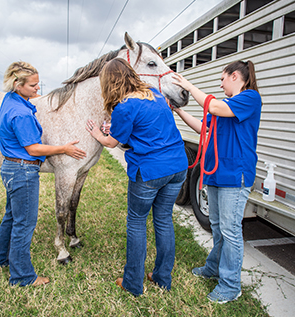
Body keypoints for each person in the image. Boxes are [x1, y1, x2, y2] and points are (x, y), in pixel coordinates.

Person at [86, 58, 188, 297]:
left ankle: (132, 282)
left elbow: (113, 142)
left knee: (136, 222)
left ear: (109, 83)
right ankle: (163, 277)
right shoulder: (155, 94)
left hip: (150, 171)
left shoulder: (124, 107)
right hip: (177, 167)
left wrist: (97, 134)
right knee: (163, 220)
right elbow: (145, 128)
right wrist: (118, 130)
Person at [172, 60, 261, 303]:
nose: (220, 84)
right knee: (218, 226)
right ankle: (213, 268)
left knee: (231, 231)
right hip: (215, 174)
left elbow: (214, 108)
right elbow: (204, 128)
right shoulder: (226, 106)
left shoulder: (249, 99)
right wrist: (179, 111)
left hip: (234, 175)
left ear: (235, 76)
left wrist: (189, 86)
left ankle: (231, 286)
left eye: (222, 79)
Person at [0, 61, 86, 286]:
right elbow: (33, 148)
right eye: (33, 86)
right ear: (17, 84)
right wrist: (64, 149)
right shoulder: (20, 113)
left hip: (11, 168)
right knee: (24, 223)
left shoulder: (10, 100)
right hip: (23, 170)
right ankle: (22, 276)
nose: (38, 90)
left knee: (11, 216)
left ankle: (0, 259)